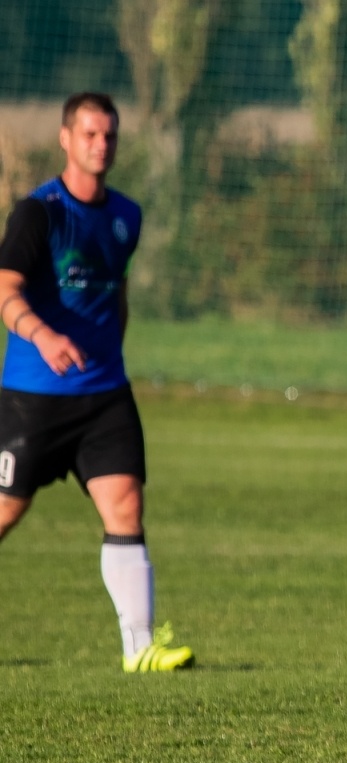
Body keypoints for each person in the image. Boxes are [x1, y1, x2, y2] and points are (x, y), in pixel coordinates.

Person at [0, 92, 194, 673]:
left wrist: (112, 348)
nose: (100, 145)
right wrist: (43, 335)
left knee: (126, 504)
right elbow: (5, 290)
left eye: (108, 135)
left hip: (105, 393)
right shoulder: (40, 213)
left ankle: (139, 649)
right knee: (5, 513)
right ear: (66, 138)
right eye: (88, 134)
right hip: (34, 397)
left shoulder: (126, 215)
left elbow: (118, 292)